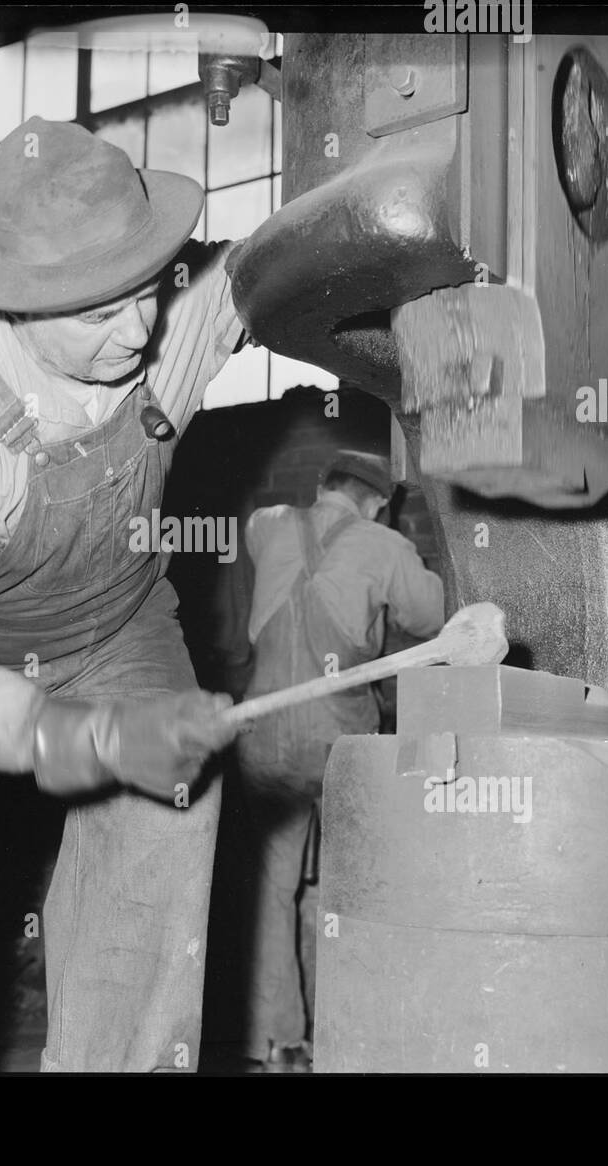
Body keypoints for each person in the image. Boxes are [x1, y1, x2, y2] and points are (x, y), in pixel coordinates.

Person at [0, 116, 250, 1072]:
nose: (138, 331)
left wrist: (423, 310)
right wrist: (80, 739)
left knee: (170, 802)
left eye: (145, 292)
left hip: (111, 615)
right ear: (19, 305)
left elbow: (281, 266)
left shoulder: (170, 313)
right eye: (99, 315)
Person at [234, 450, 445, 1069]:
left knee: (273, 889)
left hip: (262, 734)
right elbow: (432, 616)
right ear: (379, 500)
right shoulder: (381, 544)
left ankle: (274, 1040)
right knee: (352, 883)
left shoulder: (268, 524)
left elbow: (260, 536)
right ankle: (350, 1030)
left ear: (323, 486)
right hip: (337, 741)